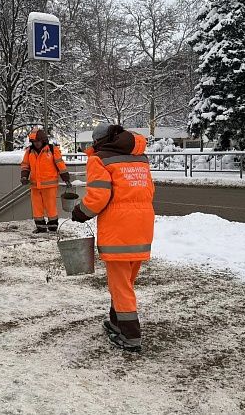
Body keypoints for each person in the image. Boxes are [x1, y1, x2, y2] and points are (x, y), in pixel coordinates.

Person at [71, 123, 154, 353]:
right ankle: (117, 323)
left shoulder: (99, 160)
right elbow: (149, 191)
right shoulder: (140, 159)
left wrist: (80, 212)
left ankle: (131, 337)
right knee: (126, 283)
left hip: (118, 230)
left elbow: (99, 197)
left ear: (99, 142)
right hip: (142, 227)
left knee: (120, 286)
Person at [20, 128, 71, 233]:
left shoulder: (52, 150)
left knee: (51, 207)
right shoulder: (29, 151)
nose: (36, 143)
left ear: (43, 140)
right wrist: (24, 177)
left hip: (50, 186)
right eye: (34, 142)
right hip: (35, 185)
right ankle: (41, 227)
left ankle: (52, 227)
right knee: (37, 208)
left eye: (38, 141)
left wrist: (66, 179)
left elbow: (60, 165)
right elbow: (25, 165)